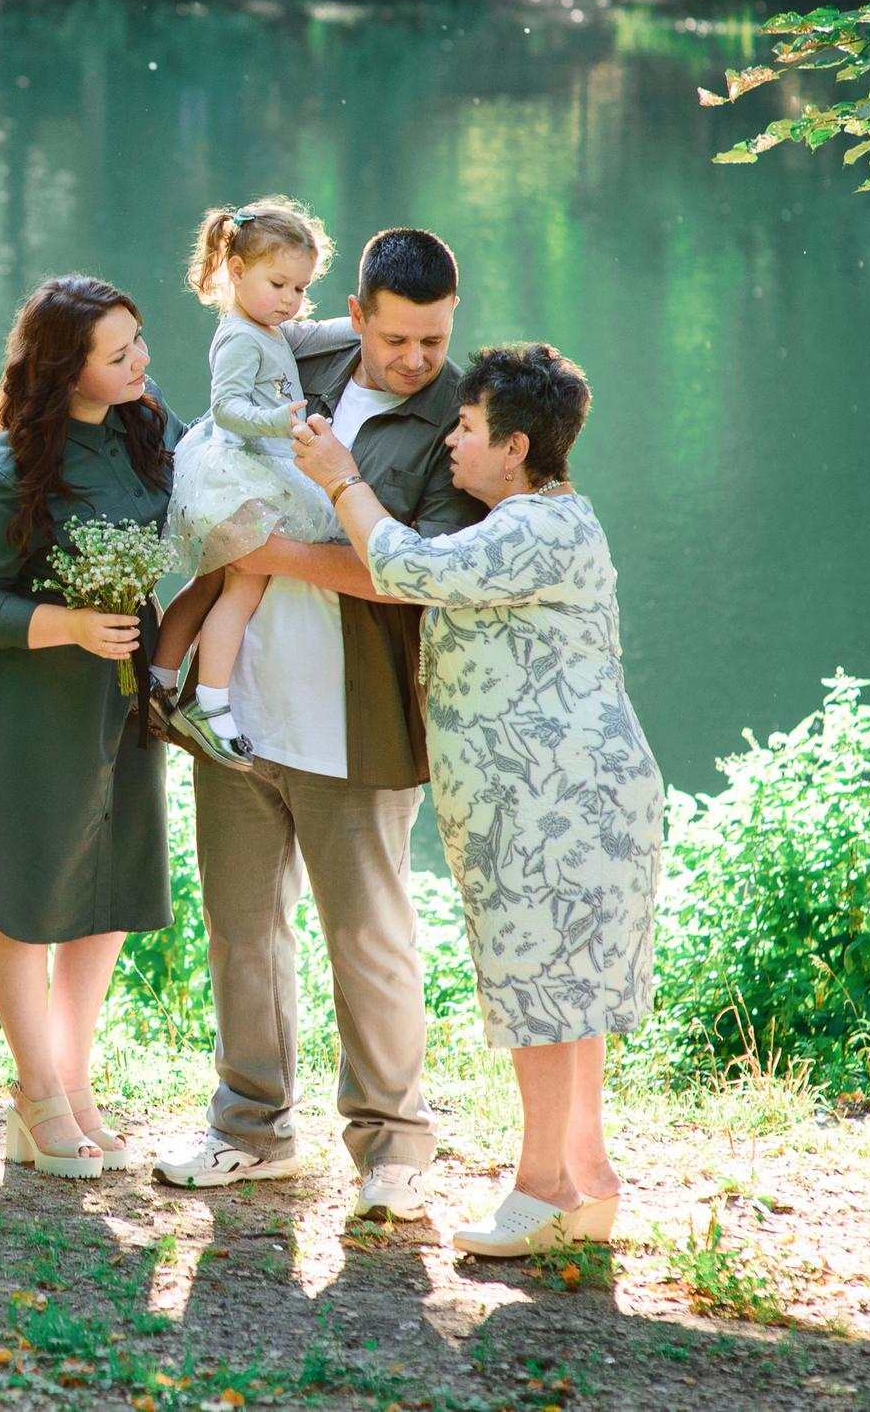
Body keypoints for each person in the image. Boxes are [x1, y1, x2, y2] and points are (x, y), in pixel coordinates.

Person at [292, 342, 662, 1256]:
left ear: (515, 446)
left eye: (466, 427)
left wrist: (340, 478)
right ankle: (587, 1180)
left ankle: (543, 1188)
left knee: (542, 997)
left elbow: (404, 567)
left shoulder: (532, 528)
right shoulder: (546, 520)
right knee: (568, 996)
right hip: (566, 797)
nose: (450, 442)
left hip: (550, 806)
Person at [149, 227, 482, 1224]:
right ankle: (252, 1130)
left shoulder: (457, 420)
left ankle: (392, 1146)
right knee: (241, 932)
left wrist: (274, 552)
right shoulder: (300, 347)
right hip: (237, 708)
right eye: (396, 338)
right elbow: (228, 382)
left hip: (357, 720)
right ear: (356, 313)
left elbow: (417, 571)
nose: (414, 360)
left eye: (433, 339)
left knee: (368, 939)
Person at [0, 278, 180, 1181]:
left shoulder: (145, 425)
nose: (141, 360)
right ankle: (35, 1093)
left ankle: (73, 1085)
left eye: (138, 340)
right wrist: (69, 624)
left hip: (122, 699)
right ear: (68, 371)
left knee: (103, 893)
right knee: (28, 895)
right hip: (34, 707)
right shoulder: (13, 471)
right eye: (119, 353)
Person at [150, 198, 352, 768]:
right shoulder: (242, 338)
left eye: (300, 288)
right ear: (237, 271)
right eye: (279, 284)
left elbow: (317, 333)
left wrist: (368, 325)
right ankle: (209, 703)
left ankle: (159, 678)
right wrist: (279, 421)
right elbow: (227, 407)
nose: (290, 300)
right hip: (242, 472)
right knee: (245, 585)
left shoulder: (267, 326)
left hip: (248, 468)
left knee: (212, 581)